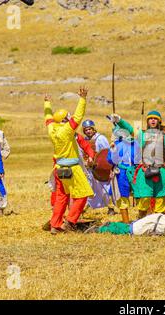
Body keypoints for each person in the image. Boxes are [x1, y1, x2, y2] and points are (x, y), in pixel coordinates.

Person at [44, 87, 94, 234]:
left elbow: (48, 118)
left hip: (58, 168)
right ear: (65, 119)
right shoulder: (67, 130)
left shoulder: (52, 129)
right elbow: (78, 116)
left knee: (61, 197)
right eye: (68, 116)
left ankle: (55, 225)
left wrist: (47, 103)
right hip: (72, 168)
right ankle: (70, 222)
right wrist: (83, 99)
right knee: (83, 194)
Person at [110, 110, 165, 218]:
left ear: (159, 121)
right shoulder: (141, 134)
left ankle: (160, 224)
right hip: (145, 170)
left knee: (161, 197)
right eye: (150, 118)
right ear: (147, 121)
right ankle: (141, 221)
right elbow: (130, 129)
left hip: (160, 170)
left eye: (155, 118)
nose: (153, 120)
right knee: (145, 198)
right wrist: (120, 121)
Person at [106, 117, 140, 223]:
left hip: (135, 171)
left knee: (140, 193)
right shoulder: (115, 145)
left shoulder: (135, 143)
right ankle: (126, 222)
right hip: (121, 173)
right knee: (123, 196)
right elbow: (110, 160)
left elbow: (138, 158)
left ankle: (143, 220)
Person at [85, 211, 165, 236]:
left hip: (155, 221)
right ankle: (100, 230)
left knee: (130, 227)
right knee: (130, 230)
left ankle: (110, 225)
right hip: (152, 224)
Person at [81, 119, 114, 214]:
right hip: (89, 169)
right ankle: (84, 208)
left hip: (99, 168)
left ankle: (110, 208)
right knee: (88, 189)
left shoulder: (100, 138)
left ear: (93, 129)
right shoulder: (84, 140)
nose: (88, 131)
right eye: (86, 130)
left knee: (104, 189)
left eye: (89, 129)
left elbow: (106, 153)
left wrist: (109, 167)